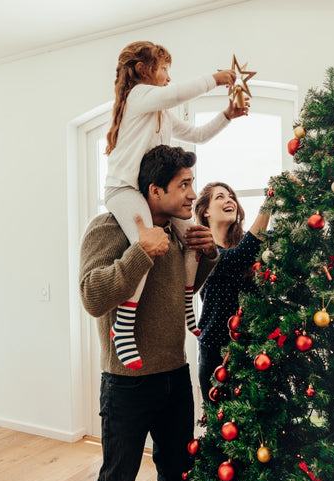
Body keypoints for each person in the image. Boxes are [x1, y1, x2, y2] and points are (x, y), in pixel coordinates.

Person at [80, 145, 218, 481]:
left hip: (175, 377)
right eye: (185, 185)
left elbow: (177, 293)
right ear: (154, 191)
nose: (194, 193)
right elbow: (92, 296)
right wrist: (140, 252)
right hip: (127, 383)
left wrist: (206, 255)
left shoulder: (178, 233)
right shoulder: (107, 228)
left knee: (176, 479)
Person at [105, 40, 248, 370]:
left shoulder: (162, 115)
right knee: (148, 243)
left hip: (147, 191)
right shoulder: (138, 96)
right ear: (144, 71)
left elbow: (198, 134)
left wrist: (227, 115)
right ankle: (123, 325)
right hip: (124, 190)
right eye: (165, 69)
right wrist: (215, 79)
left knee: (193, 237)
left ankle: (187, 304)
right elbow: (175, 93)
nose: (169, 77)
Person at [194, 182, 271, 400]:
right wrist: (270, 202)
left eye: (231, 197)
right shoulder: (203, 250)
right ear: (206, 211)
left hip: (255, 349)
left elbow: (266, 242)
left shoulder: (251, 243)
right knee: (221, 427)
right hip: (216, 353)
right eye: (220, 197)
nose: (229, 200)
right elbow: (237, 258)